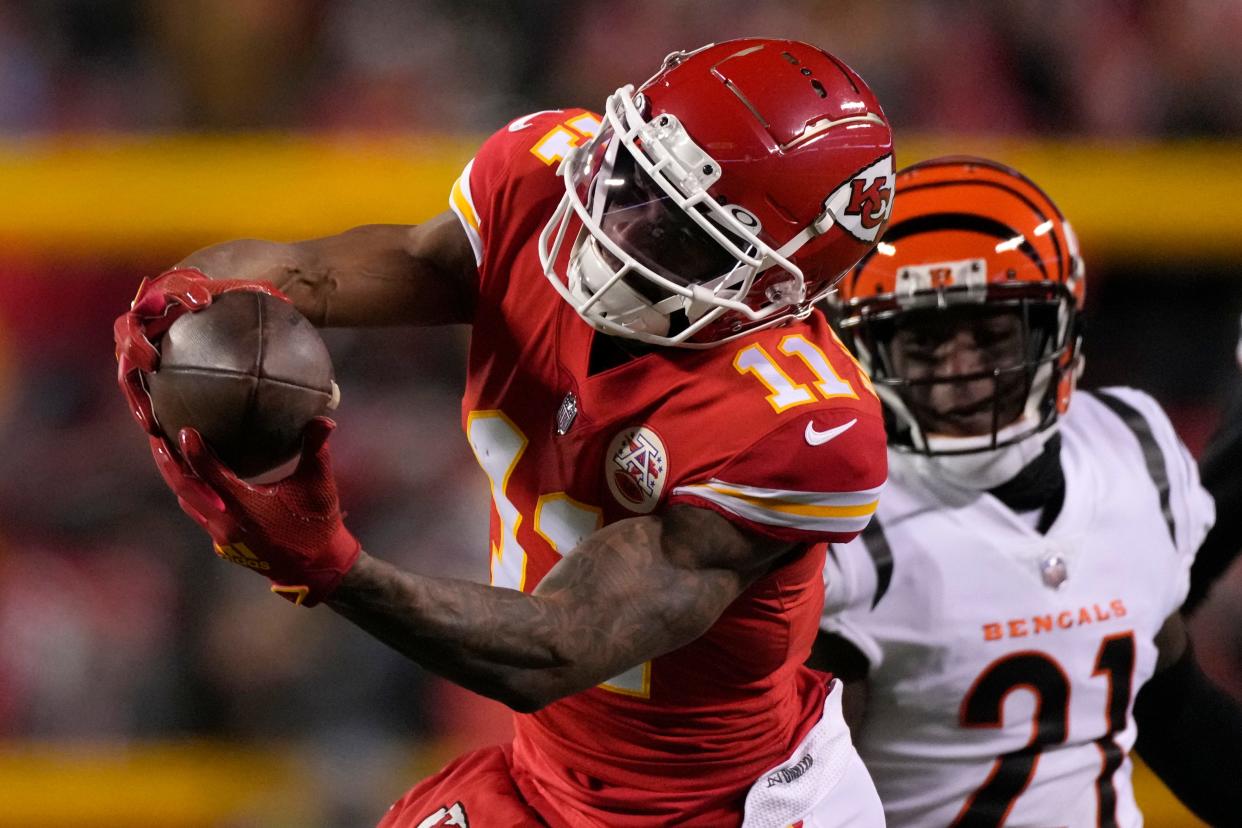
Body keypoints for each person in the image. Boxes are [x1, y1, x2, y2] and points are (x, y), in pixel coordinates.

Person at [114, 39, 897, 827]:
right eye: (632, 179)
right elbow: (368, 268)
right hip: (544, 776)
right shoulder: (541, 181)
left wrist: (329, 566)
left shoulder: (795, 423)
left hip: (716, 807)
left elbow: (561, 645)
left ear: (779, 284)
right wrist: (189, 303)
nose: (621, 229)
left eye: (682, 234)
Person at [812, 156, 1242, 827]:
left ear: (1058, 334)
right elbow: (802, 794)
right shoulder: (843, 519)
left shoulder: (1134, 449)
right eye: (923, 342)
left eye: (990, 336)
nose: (961, 374)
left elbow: (1170, 707)